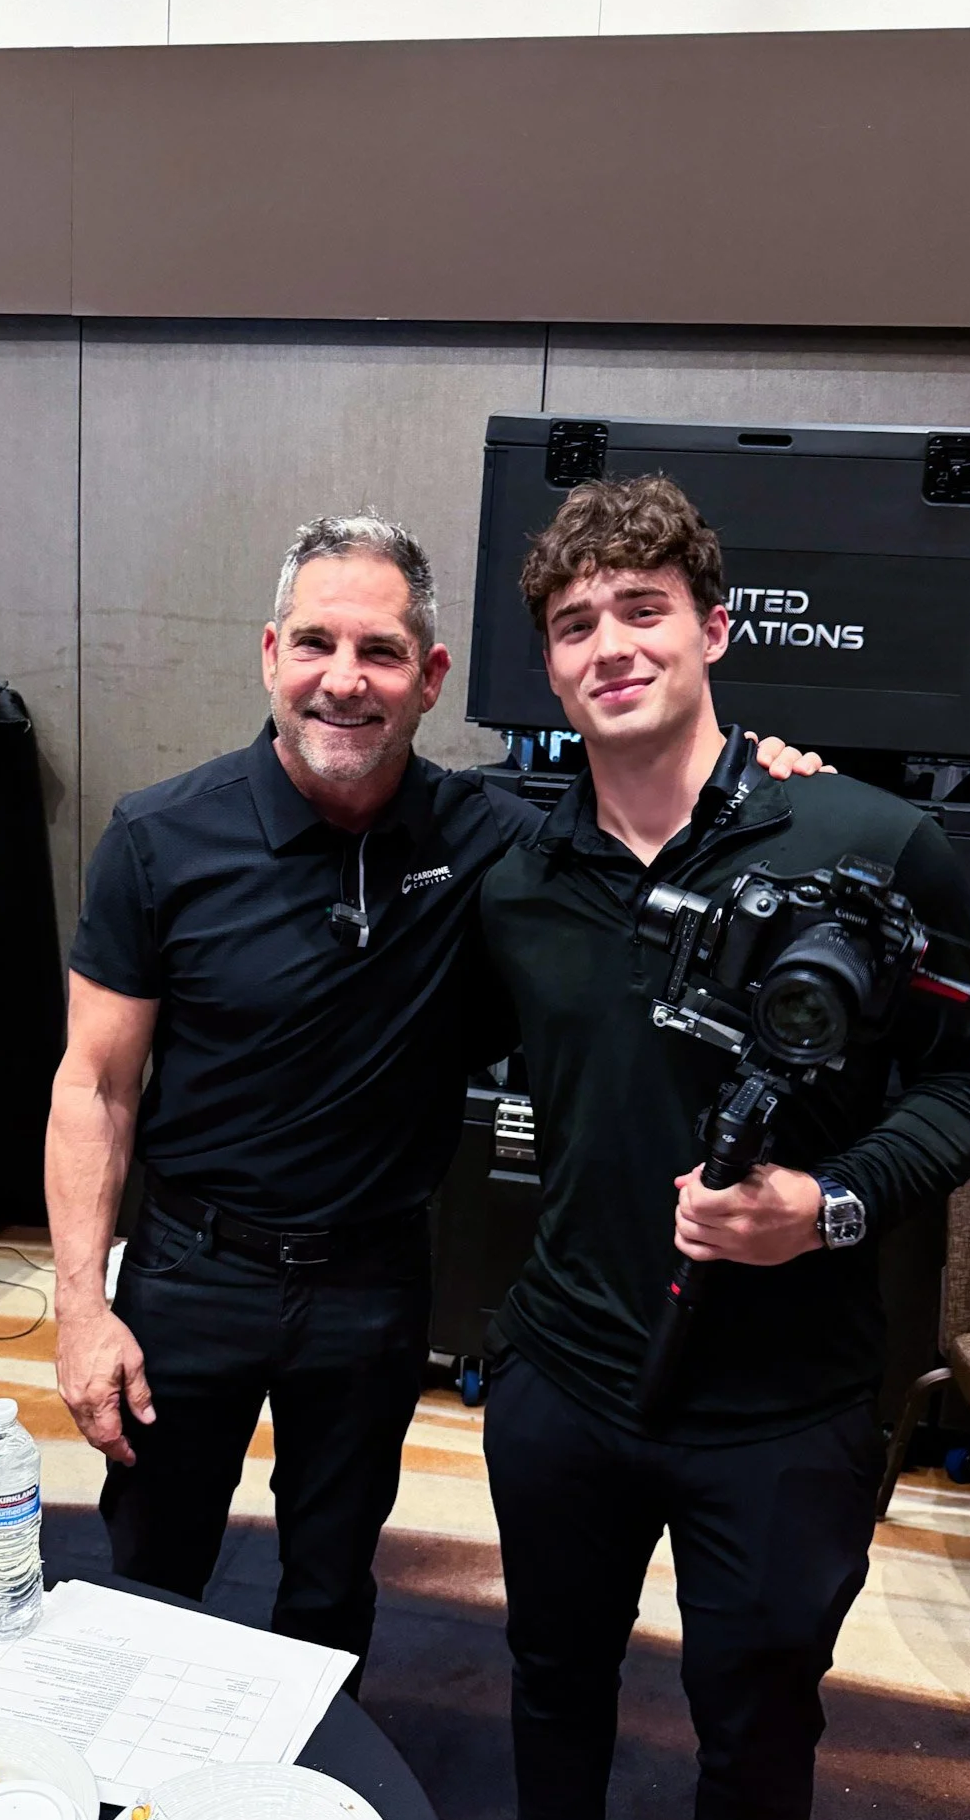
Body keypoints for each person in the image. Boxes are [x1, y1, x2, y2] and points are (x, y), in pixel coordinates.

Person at [46, 508, 823, 1681]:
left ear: (430, 677)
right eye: (315, 644)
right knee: (153, 1570)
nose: (343, 681)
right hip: (188, 1273)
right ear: (270, 654)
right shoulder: (159, 838)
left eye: (381, 653)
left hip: (372, 1281)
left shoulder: (500, 839)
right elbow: (94, 1084)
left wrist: (772, 772)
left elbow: (660, 813)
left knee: (332, 1578)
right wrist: (79, 1304)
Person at [478, 475, 970, 1820]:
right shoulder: (515, 875)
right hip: (561, 1383)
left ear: (713, 630)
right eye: (572, 623)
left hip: (781, 1416)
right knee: (549, 1687)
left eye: (642, 610)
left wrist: (829, 1202)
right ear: (545, 667)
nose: (608, 645)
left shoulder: (870, 842)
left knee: (756, 1732)